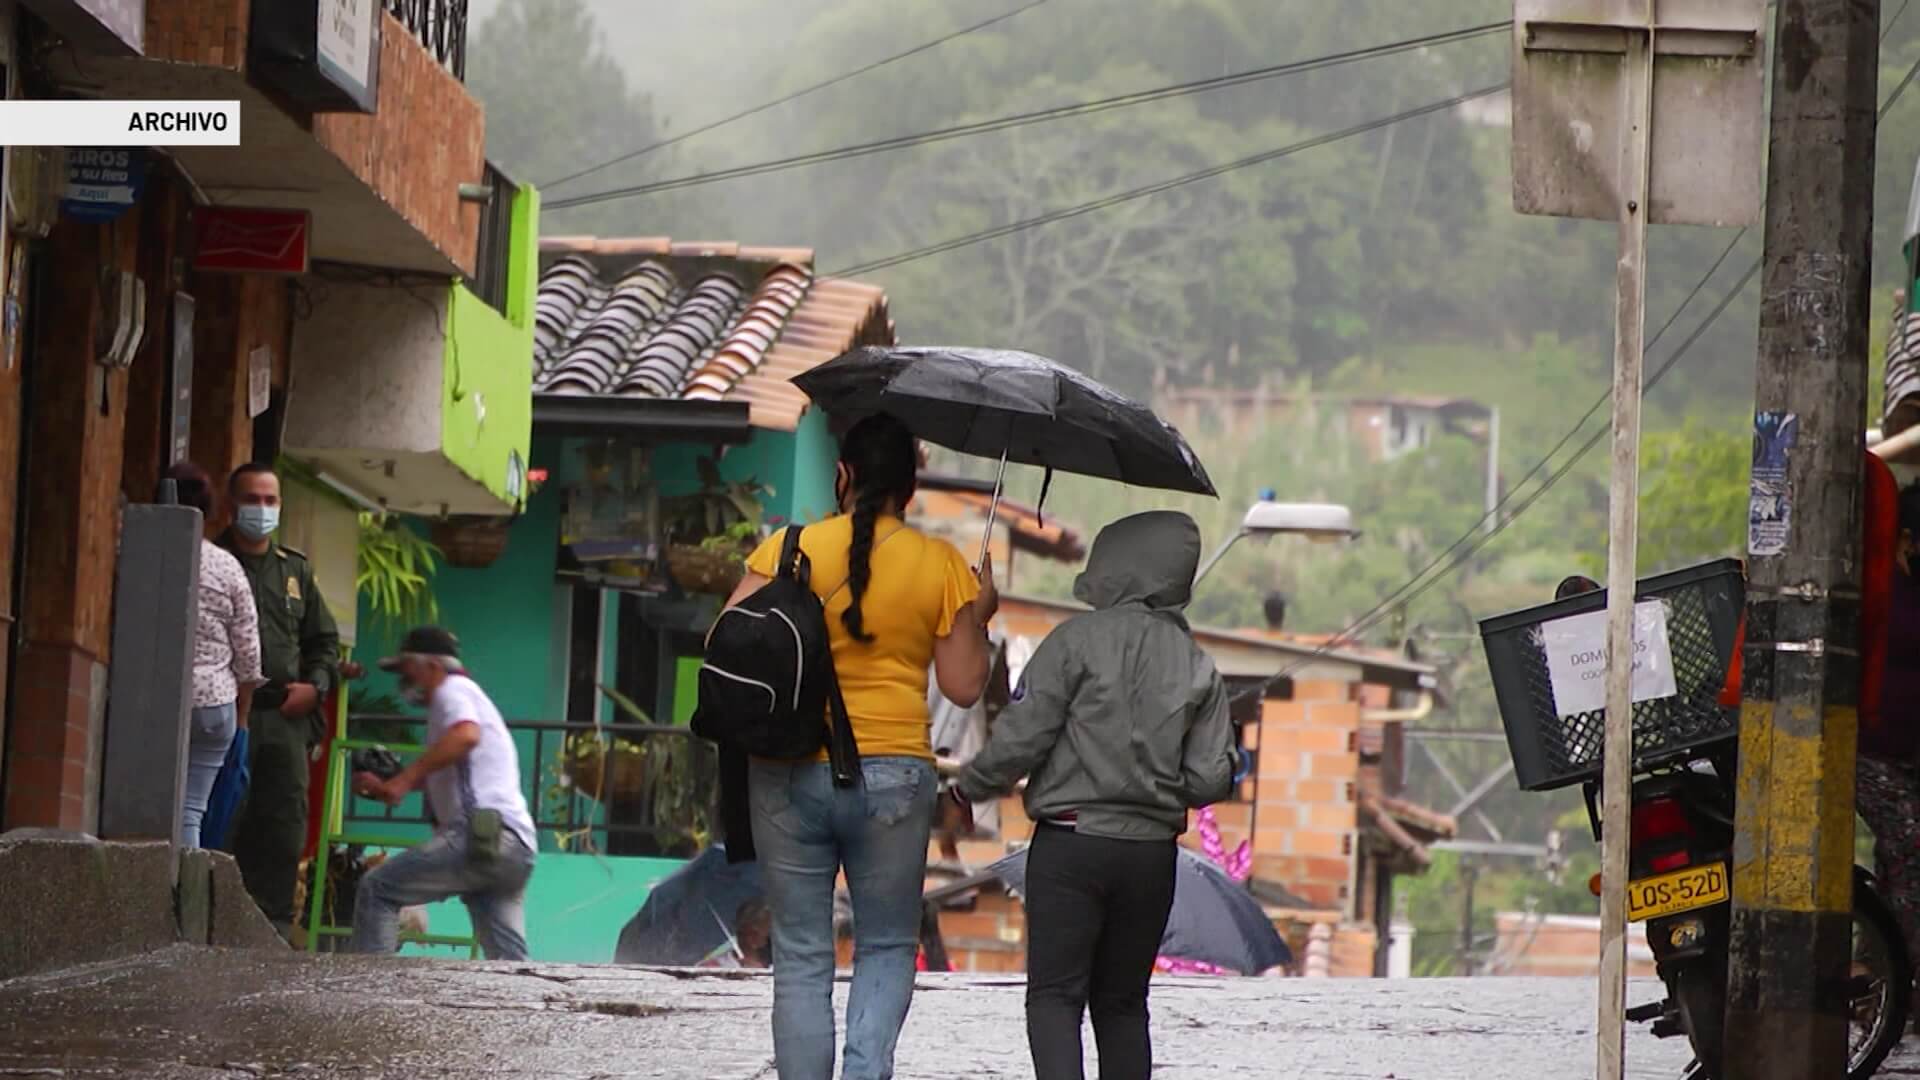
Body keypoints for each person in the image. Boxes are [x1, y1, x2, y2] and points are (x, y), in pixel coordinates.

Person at [720, 414, 997, 1080]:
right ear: (909, 488)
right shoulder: (939, 563)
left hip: (787, 769)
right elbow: (962, 688)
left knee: (802, 952)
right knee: (885, 944)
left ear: (842, 476)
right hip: (894, 780)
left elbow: (723, 644)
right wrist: (978, 616)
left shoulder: (787, 549)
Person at [954, 510, 1236, 1080]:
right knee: (1124, 1005)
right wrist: (1152, 785)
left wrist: (969, 787)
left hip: (1070, 846)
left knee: (1056, 999)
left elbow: (1021, 741)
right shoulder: (1196, 664)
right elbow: (1211, 780)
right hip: (1149, 857)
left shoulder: (1071, 644)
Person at [349, 626, 537, 960]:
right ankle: (535, 1009)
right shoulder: (470, 697)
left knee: (378, 888)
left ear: (433, 667)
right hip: (515, 847)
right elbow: (456, 770)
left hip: (481, 836)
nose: (404, 681)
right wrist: (390, 784)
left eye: (407, 669)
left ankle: (369, 998)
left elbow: (466, 735)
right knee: (509, 964)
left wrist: (404, 780)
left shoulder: (452, 691)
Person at [218, 463, 341, 938]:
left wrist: (317, 686)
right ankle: (211, 928)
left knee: (282, 826)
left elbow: (323, 642)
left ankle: (269, 934)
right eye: (253, 499)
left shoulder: (296, 571)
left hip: (286, 717)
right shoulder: (214, 559)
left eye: (271, 501)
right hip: (228, 715)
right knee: (224, 817)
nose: (262, 510)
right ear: (232, 507)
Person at [166, 462, 263, 850]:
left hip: (152, 699)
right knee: (192, 810)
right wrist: (241, 715)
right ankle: (181, 901)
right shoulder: (227, 566)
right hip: (214, 705)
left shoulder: (136, 551)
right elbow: (249, 655)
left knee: (143, 804)